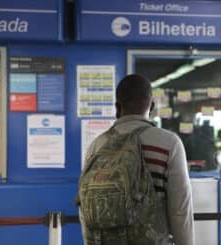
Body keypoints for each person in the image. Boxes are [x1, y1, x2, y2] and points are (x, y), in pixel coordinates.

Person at [80, 74, 195, 245]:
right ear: (152, 106)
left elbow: (85, 206)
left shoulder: (97, 146)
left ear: (117, 107)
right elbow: (180, 210)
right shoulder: (170, 143)